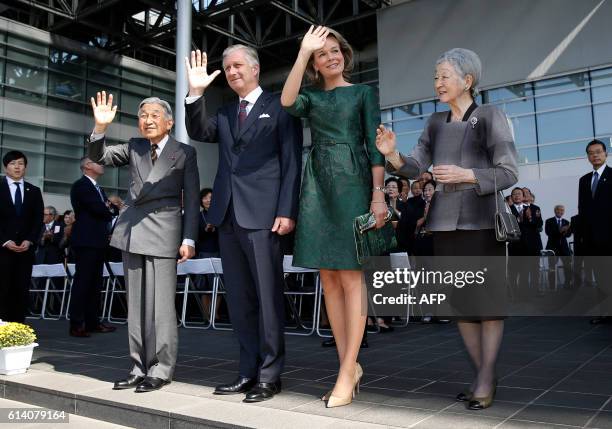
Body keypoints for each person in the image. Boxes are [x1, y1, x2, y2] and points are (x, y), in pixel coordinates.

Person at [376, 48, 518, 410]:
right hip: (443, 223)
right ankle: (483, 373)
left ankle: (485, 378)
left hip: (482, 220)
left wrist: (468, 174)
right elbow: (414, 166)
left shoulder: (490, 116)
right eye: (436, 76)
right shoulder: (435, 122)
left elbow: (509, 172)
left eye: (443, 76)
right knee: (460, 306)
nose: (437, 83)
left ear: (466, 81)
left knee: (487, 306)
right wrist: (392, 155)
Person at [184, 45, 302, 402]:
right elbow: (199, 131)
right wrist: (196, 93)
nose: (231, 71)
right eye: (226, 67)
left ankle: (270, 374)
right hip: (227, 216)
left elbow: (292, 161)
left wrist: (287, 210)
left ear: (255, 69)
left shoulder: (280, 106)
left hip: (265, 216)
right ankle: (247, 371)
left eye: (237, 65)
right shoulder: (223, 111)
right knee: (239, 300)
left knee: (267, 298)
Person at [281, 26, 386, 408]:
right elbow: (287, 101)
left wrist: (378, 195)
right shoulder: (308, 95)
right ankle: (349, 366)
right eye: (321, 54)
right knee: (329, 277)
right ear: (313, 63)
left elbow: (375, 147)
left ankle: (346, 370)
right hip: (317, 185)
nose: (332, 56)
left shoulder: (362, 93)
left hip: (354, 180)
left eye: (335, 50)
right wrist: (301, 51)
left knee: (352, 277)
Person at [88, 92, 200, 393]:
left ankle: (161, 368)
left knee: (162, 306)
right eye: (142, 116)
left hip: (164, 231)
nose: (147, 120)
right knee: (135, 306)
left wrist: (189, 238)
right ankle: (138, 366)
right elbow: (100, 157)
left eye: (154, 115)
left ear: (169, 121)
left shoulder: (184, 152)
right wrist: (100, 128)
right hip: (133, 231)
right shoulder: (134, 146)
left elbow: (191, 196)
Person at [67, 157, 118, 338]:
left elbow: (112, 210)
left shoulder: (98, 188)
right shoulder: (81, 185)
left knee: (96, 282)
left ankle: (92, 322)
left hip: (98, 241)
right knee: (83, 282)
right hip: (86, 240)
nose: (102, 164)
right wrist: (108, 207)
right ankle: (76, 323)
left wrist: (108, 207)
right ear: (87, 166)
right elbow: (100, 209)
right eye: (98, 162)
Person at [0, 151, 44, 322]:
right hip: (3, 250)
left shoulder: (33, 191)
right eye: (13, 163)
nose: (17, 167)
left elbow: (38, 220)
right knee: (2, 289)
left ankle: (18, 328)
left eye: (21, 163)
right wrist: (4, 240)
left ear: (25, 167)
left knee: (21, 289)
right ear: (6, 167)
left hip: (25, 250)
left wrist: (30, 240)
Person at [578, 139, 612, 324]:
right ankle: (605, 312)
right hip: (593, 241)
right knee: (601, 279)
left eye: (598, 151)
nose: (595, 155)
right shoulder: (584, 181)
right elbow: (582, 211)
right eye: (591, 153)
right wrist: (583, 239)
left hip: (610, 238)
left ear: (606, 153)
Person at [195, 187, 220, 321]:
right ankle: (205, 314)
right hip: (203, 253)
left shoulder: (220, 214)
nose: (208, 200)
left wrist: (215, 229)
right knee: (203, 285)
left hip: (218, 252)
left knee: (218, 284)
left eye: (211, 197)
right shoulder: (199, 216)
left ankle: (214, 313)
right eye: (205, 198)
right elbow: (196, 236)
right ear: (201, 200)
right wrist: (206, 230)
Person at [544, 205, 571, 289]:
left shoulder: (566, 222)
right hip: (552, 247)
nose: (560, 211)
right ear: (555, 211)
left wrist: (566, 231)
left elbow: (568, 235)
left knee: (568, 267)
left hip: (564, 248)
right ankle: (552, 286)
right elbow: (548, 233)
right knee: (551, 267)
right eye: (558, 210)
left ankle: (567, 285)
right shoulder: (549, 221)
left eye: (562, 210)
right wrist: (560, 230)